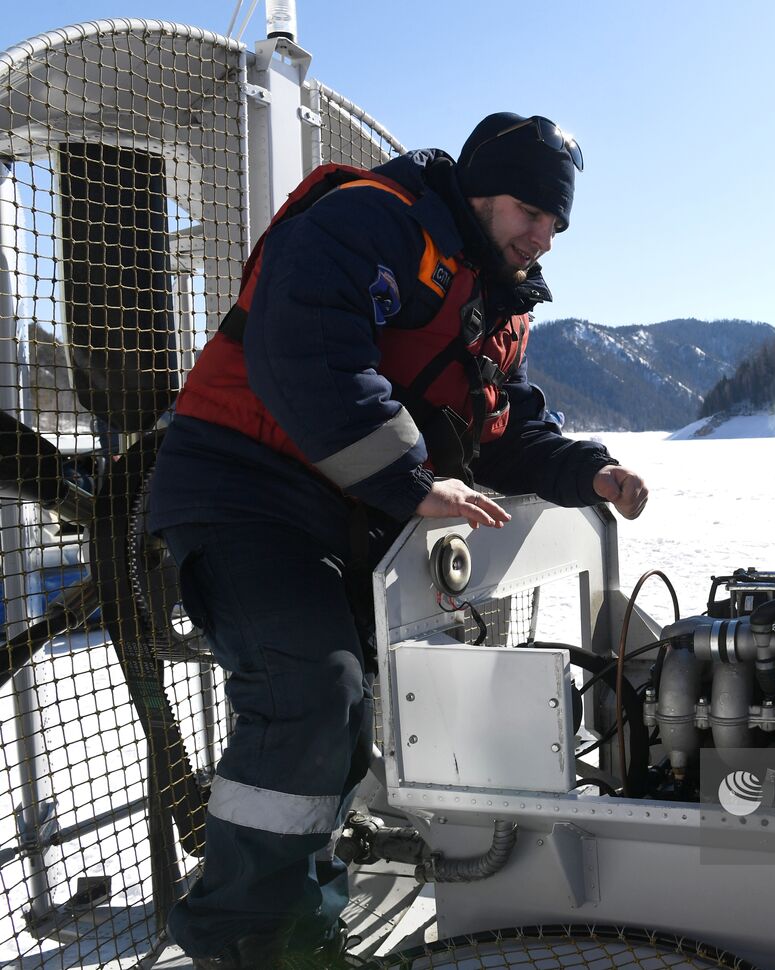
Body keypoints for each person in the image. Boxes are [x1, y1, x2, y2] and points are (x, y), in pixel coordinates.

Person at [147, 112, 647, 968]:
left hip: (337, 517)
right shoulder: (375, 220)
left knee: (343, 715)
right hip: (243, 489)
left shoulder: (494, 304)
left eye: (557, 223)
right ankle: (243, 941)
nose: (545, 237)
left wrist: (588, 473)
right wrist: (413, 482)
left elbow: (505, 430)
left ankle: (301, 921)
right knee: (310, 689)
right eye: (532, 211)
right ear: (480, 189)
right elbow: (305, 345)